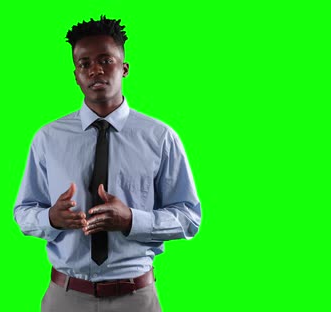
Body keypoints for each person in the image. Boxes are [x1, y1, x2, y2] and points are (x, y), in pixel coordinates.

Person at [13, 15, 201, 312]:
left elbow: (189, 217)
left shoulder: (160, 137)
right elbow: (23, 211)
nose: (95, 70)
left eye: (106, 60)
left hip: (135, 296)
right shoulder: (48, 138)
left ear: (124, 68)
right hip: (65, 295)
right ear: (75, 74)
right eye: (84, 63)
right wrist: (51, 218)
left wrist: (130, 220)